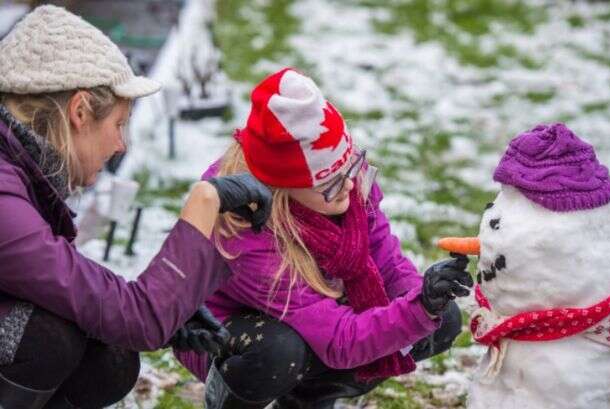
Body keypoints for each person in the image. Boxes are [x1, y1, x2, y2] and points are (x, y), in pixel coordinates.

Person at [0, 6, 271, 409]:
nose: (121, 145)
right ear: (78, 112)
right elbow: (136, 316)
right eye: (119, 124)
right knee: (44, 338)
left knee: (108, 358)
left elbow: (70, 285)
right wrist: (204, 203)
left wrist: (172, 309)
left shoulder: (19, 170)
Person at [174, 68, 473, 409]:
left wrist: (425, 297)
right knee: (277, 352)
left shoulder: (345, 181)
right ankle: (230, 399)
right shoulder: (243, 233)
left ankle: (309, 400)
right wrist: (415, 310)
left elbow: (387, 264)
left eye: (350, 167)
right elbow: (339, 340)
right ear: (281, 189)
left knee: (440, 321)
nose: (348, 185)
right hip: (228, 334)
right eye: (329, 183)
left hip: (313, 314)